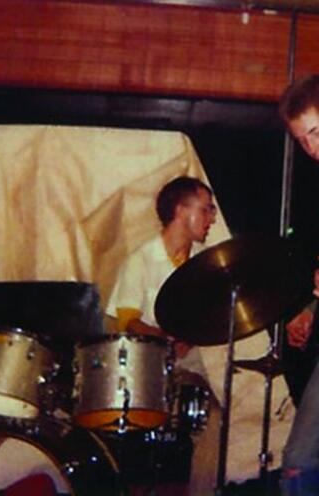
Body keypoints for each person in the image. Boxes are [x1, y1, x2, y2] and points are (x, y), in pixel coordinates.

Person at [106, 175, 218, 493]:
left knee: (215, 416)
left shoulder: (206, 263)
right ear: (181, 211)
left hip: (192, 362)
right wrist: (167, 339)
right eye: (206, 209)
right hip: (150, 361)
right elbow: (128, 321)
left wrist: (192, 337)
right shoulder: (141, 259)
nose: (211, 218)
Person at [278, 74, 319, 496]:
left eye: (316, 133)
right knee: (300, 460)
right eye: (302, 141)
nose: (312, 148)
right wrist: (314, 307)